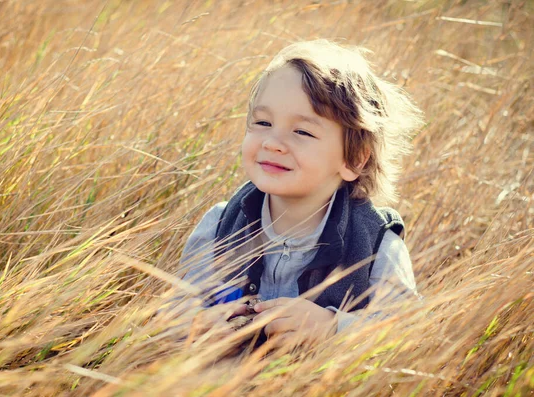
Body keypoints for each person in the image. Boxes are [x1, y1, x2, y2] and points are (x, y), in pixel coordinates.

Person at [178, 40, 423, 347]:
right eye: (263, 122)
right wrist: (195, 326)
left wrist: (333, 328)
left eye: (302, 131)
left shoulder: (376, 245)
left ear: (354, 159)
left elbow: (408, 333)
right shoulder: (220, 225)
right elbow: (175, 312)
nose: (273, 142)